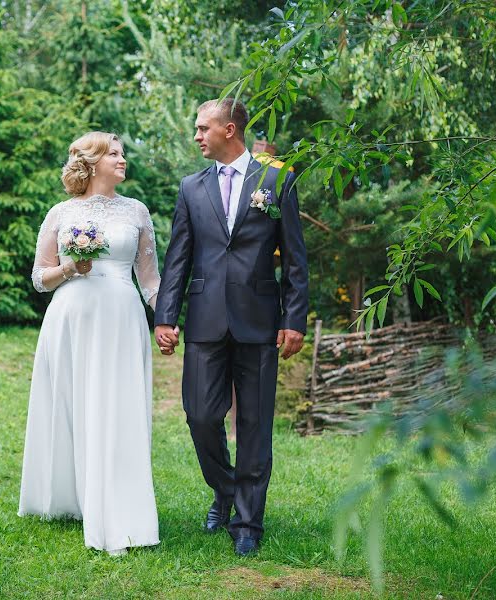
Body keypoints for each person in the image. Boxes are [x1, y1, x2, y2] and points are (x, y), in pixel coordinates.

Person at [154, 99, 309, 556]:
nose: (197, 136)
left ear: (229, 129)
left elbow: (296, 259)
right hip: (204, 320)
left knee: (255, 424)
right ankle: (225, 490)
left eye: (203, 128)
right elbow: (177, 256)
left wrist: (294, 319)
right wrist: (166, 315)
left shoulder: (276, 181)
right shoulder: (190, 187)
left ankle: (247, 523)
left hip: (260, 321)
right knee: (200, 417)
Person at [18, 132, 161, 556]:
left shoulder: (136, 211)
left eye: (122, 154)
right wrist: (69, 268)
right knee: (73, 402)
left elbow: (150, 280)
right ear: (92, 162)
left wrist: (168, 318)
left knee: (119, 405)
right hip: (71, 316)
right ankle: (72, 495)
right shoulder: (61, 212)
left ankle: (120, 503)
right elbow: (38, 277)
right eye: (114, 154)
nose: (122, 160)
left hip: (121, 315)